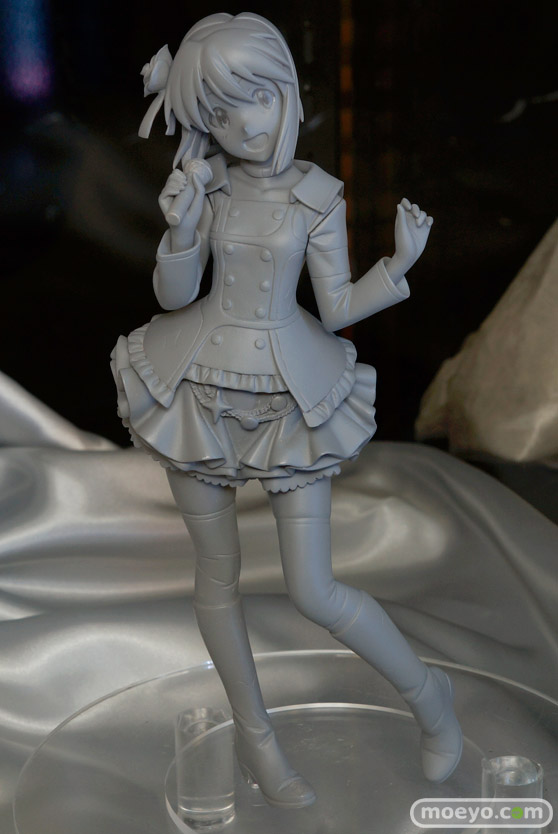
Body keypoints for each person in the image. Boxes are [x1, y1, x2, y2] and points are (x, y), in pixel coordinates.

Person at [111, 11, 462, 809]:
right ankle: (257, 739)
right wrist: (178, 231)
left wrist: (398, 265)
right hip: (196, 383)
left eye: (259, 99)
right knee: (218, 577)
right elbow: (174, 295)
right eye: (221, 112)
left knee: (314, 588)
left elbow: (335, 308)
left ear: (287, 93)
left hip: (291, 390)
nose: (245, 124)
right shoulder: (205, 185)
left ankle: (429, 695)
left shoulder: (317, 195)